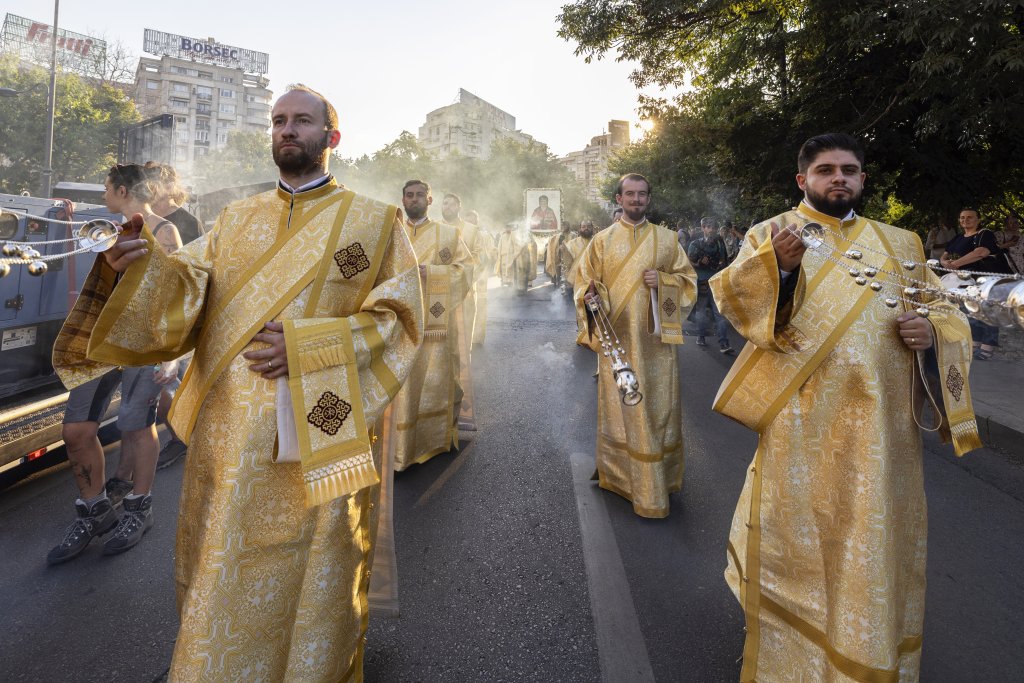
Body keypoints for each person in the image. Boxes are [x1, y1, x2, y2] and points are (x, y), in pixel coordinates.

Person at [53, 85, 422, 681]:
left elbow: (400, 319)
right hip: (230, 435)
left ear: (331, 137)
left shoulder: (374, 225)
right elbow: (187, 292)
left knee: (316, 560)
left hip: (322, 426)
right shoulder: (236, 220)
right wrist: (141, 264)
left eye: (302, 121)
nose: (287, 130)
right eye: (279, 120)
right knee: (226, 563)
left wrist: (309, 347)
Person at [710, 133, 980, 683]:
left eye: (849, 170)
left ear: (861, 179)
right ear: (802, 180)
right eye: (826, 170)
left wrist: (930, 330)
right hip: (801, 422)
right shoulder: (773, 233)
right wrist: (780, 271)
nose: (839, 178)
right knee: (801, 537)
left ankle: (865, 650)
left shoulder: (901, 243)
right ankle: (796, 654)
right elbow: (736, 304)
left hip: (885, 432)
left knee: (873, 539)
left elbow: (947, 311)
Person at [47, 163, 183, 564]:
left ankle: (140, 508)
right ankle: (95, 510)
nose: (103, 195)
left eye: (106, 188)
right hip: (102, 343)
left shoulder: (164, 232)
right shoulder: (109, 230)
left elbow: (175, 298)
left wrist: (172, 355)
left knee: (136, 427)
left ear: (122, 190)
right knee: (76, 429)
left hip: (145, 345)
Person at [576, 173, 697, 518]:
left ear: (648, 199)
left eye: (642, 194)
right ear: (618, 198)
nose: (636, 199)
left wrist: (664, 281)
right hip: (618, 343)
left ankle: (656, 479)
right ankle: (619, 476)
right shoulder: (600, 241)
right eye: (630, 194)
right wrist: (589, 295)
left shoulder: (668, 240)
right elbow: (584, 283)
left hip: (656, 345)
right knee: (622, 410)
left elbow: (689, 282)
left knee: (656, 410)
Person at [391, 181, 473, 470]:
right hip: (395, 324)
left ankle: (432, 439)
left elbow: (466, 269)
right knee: (400, 386)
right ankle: (394, 447)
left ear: (429, 199)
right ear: (402, 199)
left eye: (419, 195)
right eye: (408, 195)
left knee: (434, 380)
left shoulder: (448, 234)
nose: (413, 200)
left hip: (434, 324)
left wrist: (434, 274)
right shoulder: (392, 232)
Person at [144, 161, 200, 471]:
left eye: (149, 184)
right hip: (149, 319)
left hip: (179, 319)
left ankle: (181, 438)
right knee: (157, 387)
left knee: (170, 385)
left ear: (164, 186)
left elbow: (199, 275)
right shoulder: (145, 219)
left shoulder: (187, 223)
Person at [940, 207, 1013, 360]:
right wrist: (945, 262)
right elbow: (944, 256)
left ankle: (987, 348)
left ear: (978, 220)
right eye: (962, 217)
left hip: (987, 279)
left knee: (988, 311)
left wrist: (956, 264)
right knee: (972, 311)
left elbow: (981, 252)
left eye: (969, 217)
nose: (965, 220)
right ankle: (975, 344)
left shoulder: (984, 234)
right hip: (968, 280)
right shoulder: (958, 238)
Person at [441, 194, 486, 430]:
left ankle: (459, 400)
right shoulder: (436, 229)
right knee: (440, 346)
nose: (445, 206)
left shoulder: (471, 230)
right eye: (443, 203)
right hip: (438, 297)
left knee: (461, 344)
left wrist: (456, 276)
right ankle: (442, 398)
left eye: (449, 203)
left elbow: (478, 260)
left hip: (465, 295)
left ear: (459, 205)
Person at [687, 216, 734, 353]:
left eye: (713, 227)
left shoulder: (719, 244)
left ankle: (724, 343)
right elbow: (689, 263)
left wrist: (720, 270)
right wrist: (700, 263)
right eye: (708, 226)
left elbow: (725, 262)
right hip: (702, 282)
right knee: (701, 311)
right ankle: (701, 336)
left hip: (716, 281)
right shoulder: (695, 244)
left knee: (719, 313)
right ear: (703, 228)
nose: (711, 229)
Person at [464, 209, 495, 345]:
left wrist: (476, 270)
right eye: (468, 220)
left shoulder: (484, 235)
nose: (471, 223)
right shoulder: (460, 233)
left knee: (480, 305)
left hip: (479, 277)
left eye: (473, 220)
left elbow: (488, 255)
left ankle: (477, 338)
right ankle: (463, 336)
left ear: (477, 221)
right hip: (463, 276)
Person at [561, 220, 595, 297]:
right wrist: (564, 251)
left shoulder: (597, 242)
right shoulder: (572, 243)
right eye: (583, 227)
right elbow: (567, 264)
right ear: (579, 229)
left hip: (591, 282)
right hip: (574, 280)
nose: (586, 228)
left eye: (589, 226)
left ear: (592, 228)